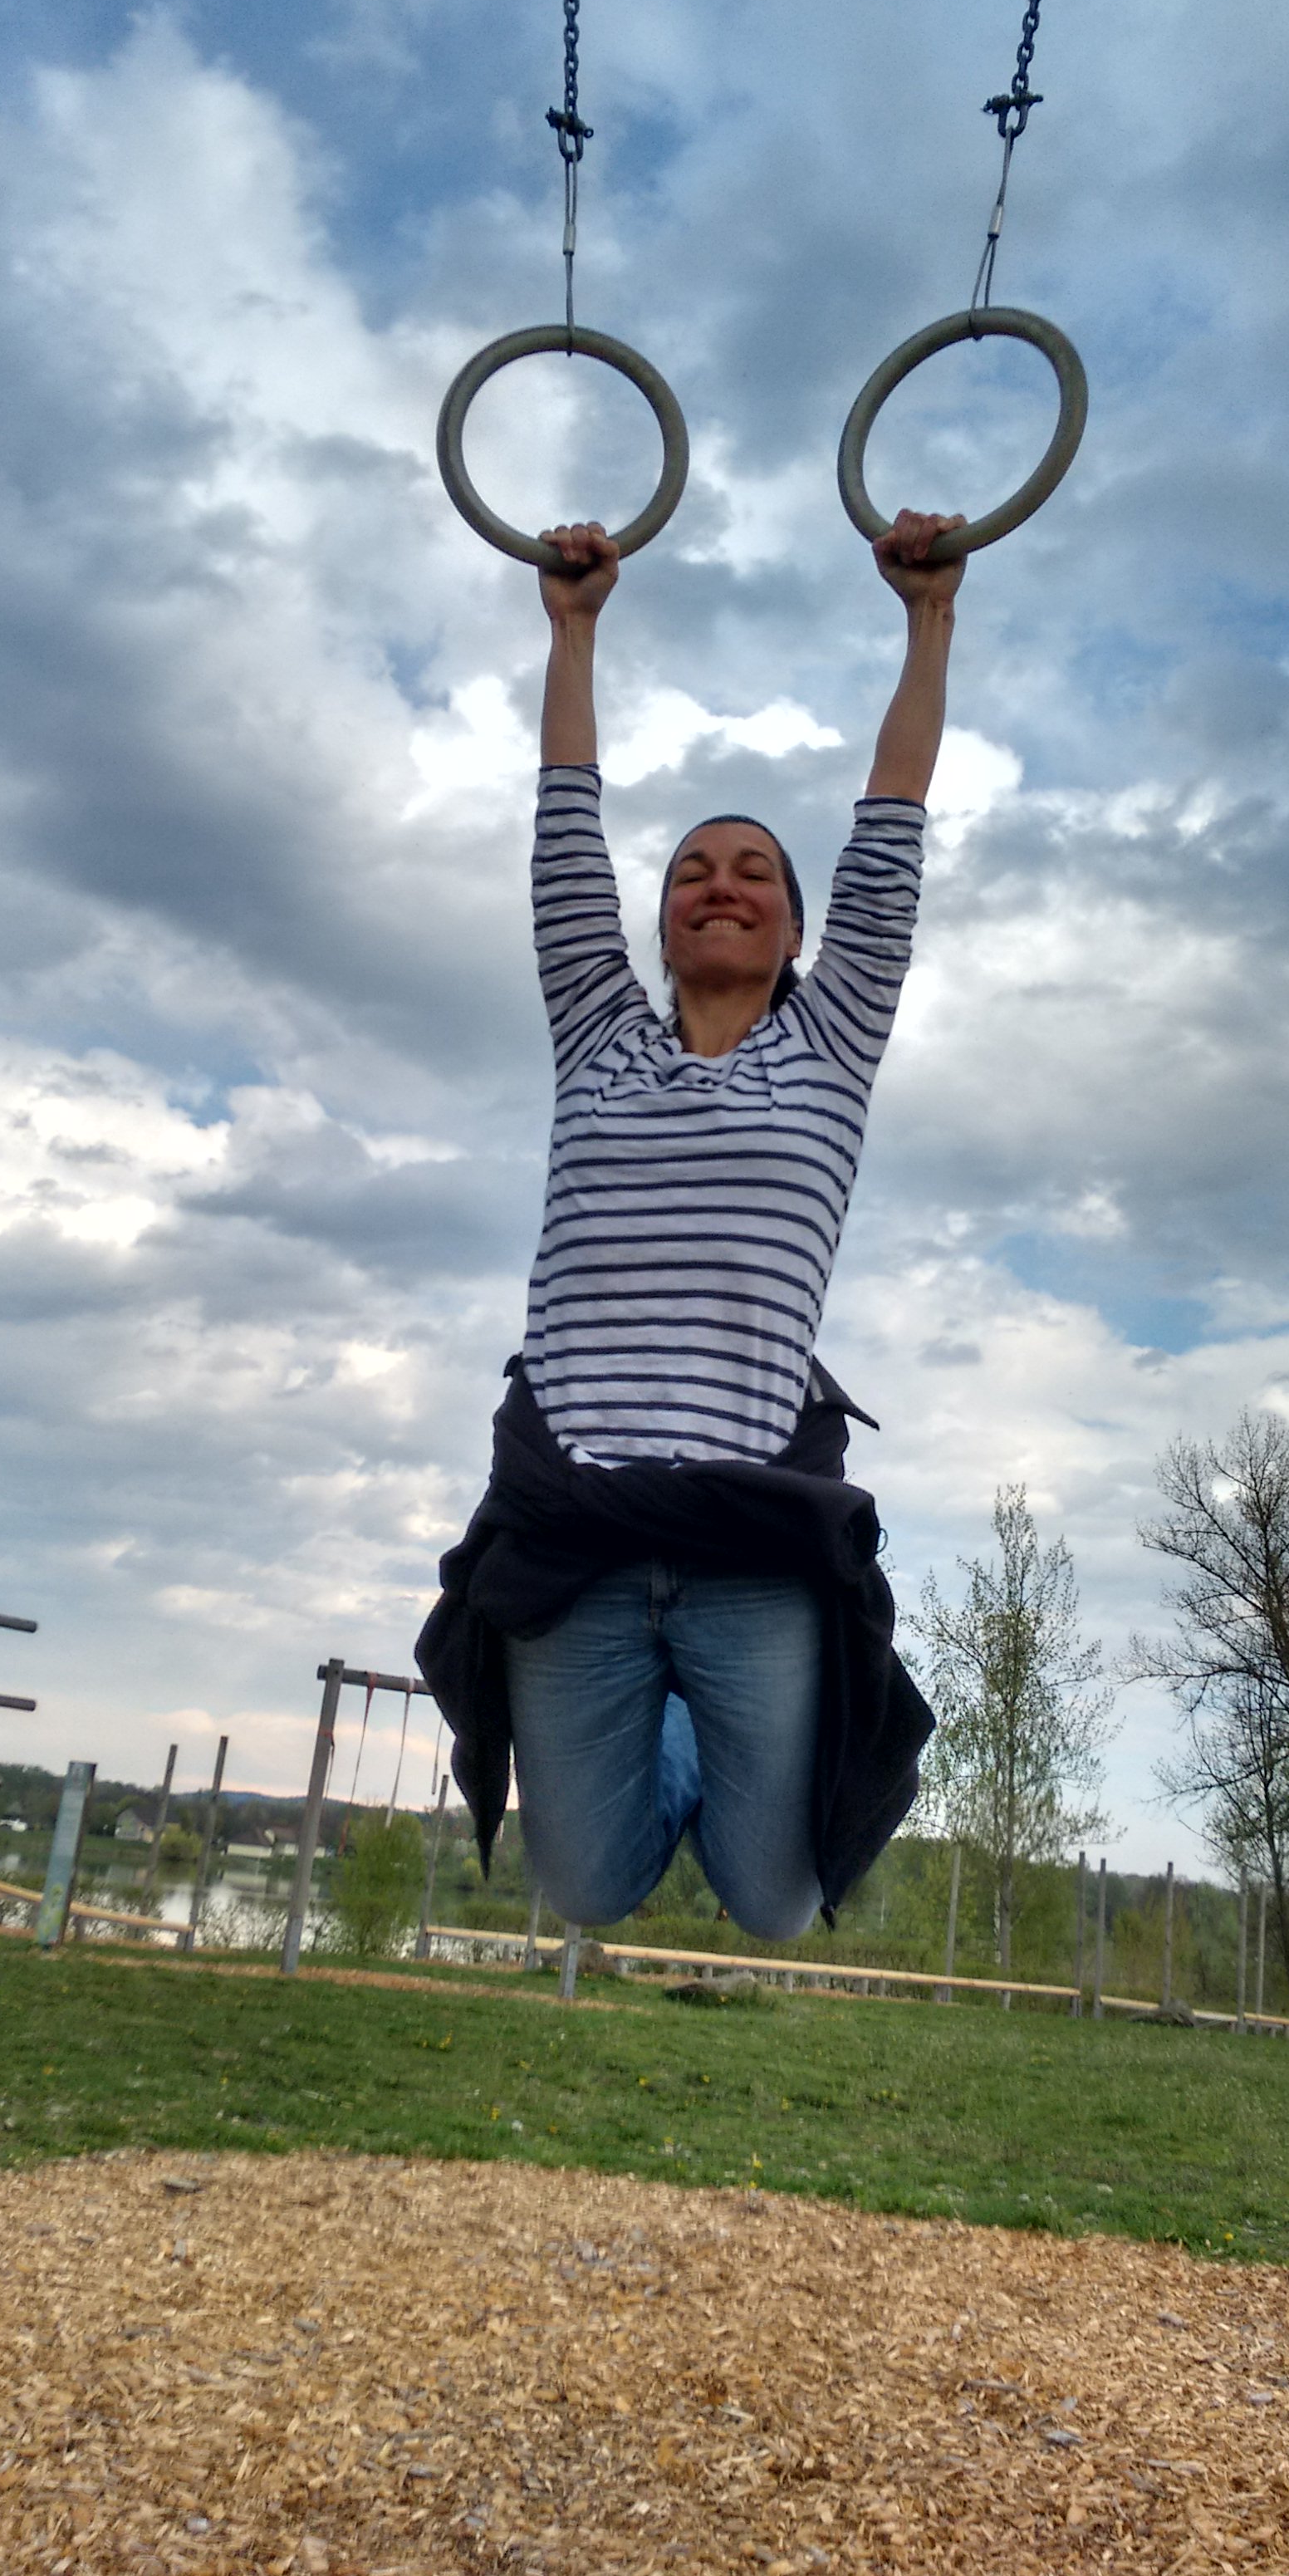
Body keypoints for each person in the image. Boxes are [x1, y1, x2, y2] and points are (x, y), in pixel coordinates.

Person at [418, 507, 966, 1939]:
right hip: (578, 1532)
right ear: (659, 927)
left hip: (745, 1546)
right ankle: (658, 1729)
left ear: (795, 931)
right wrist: (572, 627)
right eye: (692, 873)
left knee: (776, 1899)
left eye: (755, 872)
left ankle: (696, 1723)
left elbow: (892, 826)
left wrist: (930, 619)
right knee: (585, 1887)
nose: (721, 883)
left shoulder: (830, 1049)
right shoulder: (599, 1036)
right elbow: (563, 831)